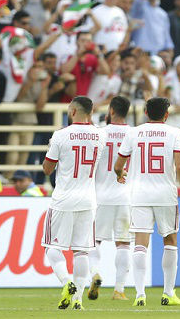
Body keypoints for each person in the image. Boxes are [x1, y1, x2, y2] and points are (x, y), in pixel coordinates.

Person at [114, 97, 180, 307]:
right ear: (166, 114)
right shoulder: (175, 133)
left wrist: (120, 174)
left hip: (139, 194)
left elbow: (118, 164)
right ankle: (168, 293)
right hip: (165, 194)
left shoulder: (133, 132)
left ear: (146, 112)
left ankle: (139, 294)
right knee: (170, 241)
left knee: (140, 243)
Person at [42, 96, 105, 311]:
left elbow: (47, 169)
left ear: (72, 111)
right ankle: (78, 300)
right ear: (91, 111)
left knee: (52, 248)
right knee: (81, 251)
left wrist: (51, 148)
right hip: (88, 199)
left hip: (63, 199)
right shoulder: (100, 135)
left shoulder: (60, 135)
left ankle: (66, 281)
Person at [87, 96, 133, 301]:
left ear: (111, 111)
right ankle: (119, 290)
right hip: (126, 196)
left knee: (93, 241)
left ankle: (95, 273)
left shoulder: (99, 133)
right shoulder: (135, 133)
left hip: (100, 195)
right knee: (123, 243)